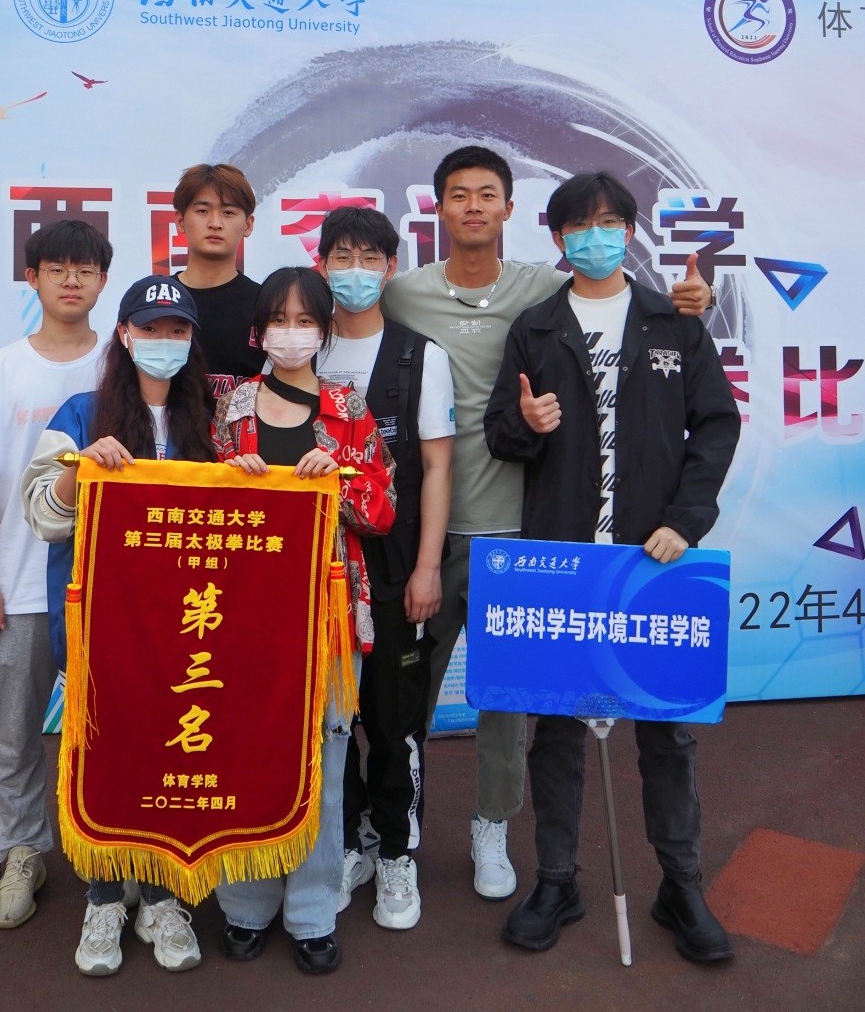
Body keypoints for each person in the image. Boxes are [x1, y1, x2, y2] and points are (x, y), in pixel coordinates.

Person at [382, 146, 714, 900]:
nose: (473, 205)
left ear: (510, 209)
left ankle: (498, 826)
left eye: (487, 193)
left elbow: (658, 345)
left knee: (517, 700)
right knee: (405, 698)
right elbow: (344, 322)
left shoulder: (548, 292)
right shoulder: (410, 295)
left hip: (530, 534)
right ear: (437, 206)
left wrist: (698, 299)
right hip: (431, 528)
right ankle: (394, 831)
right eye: (458, 193)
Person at [484, 171, 739, 962]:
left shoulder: (673, 322)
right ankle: (557, 879)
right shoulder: (536, 326)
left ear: (629, 231)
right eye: (579, 226)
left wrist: (684, 520)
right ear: (558, 238)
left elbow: (717, 424)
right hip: (565, 561)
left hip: (652, 561)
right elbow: (499, 433)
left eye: (609, 223)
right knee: (558, 729)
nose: (595, 237)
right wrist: (526, 423)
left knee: (666, 732)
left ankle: (681, 884)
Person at [21, 275, 213, 977]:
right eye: (150, 329)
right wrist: (79, 470)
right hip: (99, 634)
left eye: (176, 331)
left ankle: (161, 897)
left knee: (173, 763)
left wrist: (249, 474)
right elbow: (40, 514)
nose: (163, 342)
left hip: (186, 637)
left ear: (190, 341)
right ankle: (103, 897)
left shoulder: (209, 422)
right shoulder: (80, 412)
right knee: (104, 765)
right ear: (125, 334)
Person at [211, 266, 396, 973]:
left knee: (325, 762)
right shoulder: (231, 409)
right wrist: (230, 484)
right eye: (278, 320)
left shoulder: (348, 407)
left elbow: (383, 509)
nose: (291, 334)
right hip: (242, 618)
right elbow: (195, 512)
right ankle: (245, 903)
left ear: (324, 330)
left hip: (329, 619)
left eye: (305, 321)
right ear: (259, 330)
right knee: (245, 756)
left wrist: (339, 480)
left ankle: (314, 910)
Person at [0, 219, 111, 929]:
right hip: (20, 585)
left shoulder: (122, 361)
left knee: (110, 728)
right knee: (17, 731)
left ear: (103, 280)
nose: (71, 281)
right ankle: (23, 848)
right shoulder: (1, 368)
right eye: (57, 268)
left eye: (85, 269)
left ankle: (113, 851)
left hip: (108, 590)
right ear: (33, 278)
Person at [313, 206, 454, 931]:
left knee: (395, 720)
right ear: (322, 266)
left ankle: (398, 852)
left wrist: (428, 566)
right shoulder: (301, 348)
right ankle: (348, 842)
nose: (356, 271)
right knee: (330, 721)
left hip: (396, 568)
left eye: (370, 258)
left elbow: (437, 467)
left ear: (390, 268)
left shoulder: (418, 355)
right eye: (342, 256)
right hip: (318, 574)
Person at [172, 162, 265, 394]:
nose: (215, 223)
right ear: (180, 221)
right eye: (202, 211)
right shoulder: (157, 301)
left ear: (248, 225)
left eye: (228, 212)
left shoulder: (266, 305)